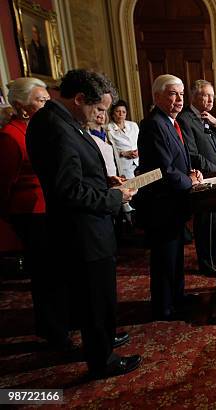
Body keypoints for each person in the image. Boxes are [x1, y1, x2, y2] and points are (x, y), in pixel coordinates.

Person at [26, 69, 140, 378]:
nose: (100, 115)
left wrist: (104, 180)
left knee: (96, 298)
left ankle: (100, 340)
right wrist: (114, 198)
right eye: (98, 108)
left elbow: (75, 171)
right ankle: (102, 359)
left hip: (89, 228)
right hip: (82, 232)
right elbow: (69, 191)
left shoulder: (62, 121)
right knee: (94, 297)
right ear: (79, 99)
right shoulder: (54, 127)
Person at [0, 77, 69, 349]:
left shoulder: (42, 129)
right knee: (46, 275)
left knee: (59, 272)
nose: (48, 106)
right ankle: (54, 332)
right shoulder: (9, 136)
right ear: (22, 106)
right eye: (42, 101)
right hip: (31, 213)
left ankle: (64, 322)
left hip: (52, 208)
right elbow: (3, 185)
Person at [135, 74, 203, 321]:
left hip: (174, 202)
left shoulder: (172, 122)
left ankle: (177, 297)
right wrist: (189, 181)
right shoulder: (154, 124)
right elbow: (163, 170)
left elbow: (177, 162)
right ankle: (164, 306)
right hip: (161, 204)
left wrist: (190, 173)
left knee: (175, 255)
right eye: (173, 94)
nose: (179, 99)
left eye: (182, 94)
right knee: (165, 257)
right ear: (157, 97)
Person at [177, 80, 216, 277]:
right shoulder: (186, 119)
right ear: (195, 96)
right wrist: (215, 170)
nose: (211, 99)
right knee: (207, 223)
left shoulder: (206, 117)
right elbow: (191, 154)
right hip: (204, 178)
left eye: (212, 96)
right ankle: (207, 263)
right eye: (206, 95)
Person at [107, 99, 139, 179]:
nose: (121, 114)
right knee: (131, 189)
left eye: (123, 112)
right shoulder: (108, 128)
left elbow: (141, 142)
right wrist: (123, 153)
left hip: (138, 162)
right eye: (118, 111)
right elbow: (107, 152)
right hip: (123, 165)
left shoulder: (133, 125)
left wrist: (139, 151)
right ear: (112, 113)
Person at [87, 109, 118, 177]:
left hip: (113, 175)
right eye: (99, 111)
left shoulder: (107, 132)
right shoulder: (87, 134)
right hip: (99, 177)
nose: (102, 115)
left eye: (104, 112)